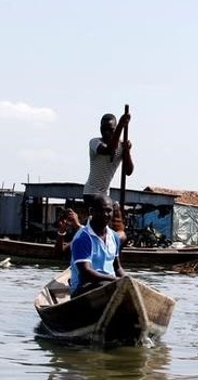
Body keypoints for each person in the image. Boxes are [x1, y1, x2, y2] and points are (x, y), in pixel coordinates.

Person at [83, 112, 133, 241]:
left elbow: (129, 171)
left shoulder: (121, 146)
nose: (106, 133)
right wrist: (121, 125)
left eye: (110, 130)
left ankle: (112, 247)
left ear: (114, 130)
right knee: (110, 209)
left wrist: (127, 152)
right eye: (103, 129)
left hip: (105, 194)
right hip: (91, 192)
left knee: (115, 218)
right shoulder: (95, 143)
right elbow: (109, 150)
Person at [69, 193, 126, 298]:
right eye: (101, 210)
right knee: (106, 286)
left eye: (109, 211)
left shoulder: (114, 236)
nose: (105, 214)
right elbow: (86, 274)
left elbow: (117, 268)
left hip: (110, 285)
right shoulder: (82, 238)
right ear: (92, 212)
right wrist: (114, 280)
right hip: (83, 289)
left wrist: (128, 280)